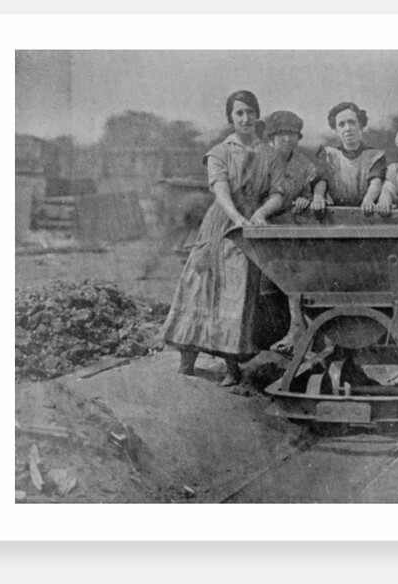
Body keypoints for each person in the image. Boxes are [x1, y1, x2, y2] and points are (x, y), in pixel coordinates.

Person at [159, 90, 286, 386]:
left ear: (257, 115)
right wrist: (236, 216)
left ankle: (231, 367)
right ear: (230, 117)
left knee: (236, 293)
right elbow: (220, 190)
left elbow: (278, 193)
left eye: (250, 112)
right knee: (198, 286)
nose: (245, 118)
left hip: (248, 229)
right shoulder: (219, 152)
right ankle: (187, 360)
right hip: (219, 224)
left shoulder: (271, 155)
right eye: (239, 113)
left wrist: (261, 213)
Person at [260, 110, 325, 356]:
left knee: (296, 279)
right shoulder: (261, 160)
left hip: (291, 227)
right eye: (281, 134)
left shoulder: (302, 163)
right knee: (266, 285)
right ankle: (269, 337)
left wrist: (308, 198)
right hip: (264, 225)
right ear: (271, 137)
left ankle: (300, 334)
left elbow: (317, 181)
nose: (287, 139)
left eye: (292, 134)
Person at [311, 102, 386, 214]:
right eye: (341, 125)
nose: (348, 128)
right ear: (336, 130)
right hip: (338, 213)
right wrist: (318, 197)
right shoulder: (329, 155)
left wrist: (369, 199)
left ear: (360, 125)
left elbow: (376, 181)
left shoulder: (375, 156)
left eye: (352, 122)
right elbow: (322, 179)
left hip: (367, 211)